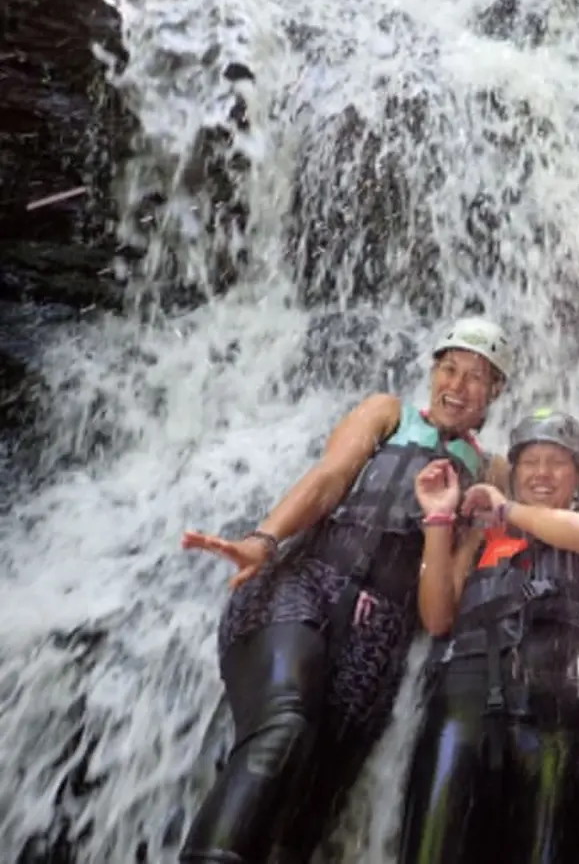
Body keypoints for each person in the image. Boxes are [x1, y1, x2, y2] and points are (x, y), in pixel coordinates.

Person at [177, 317, 513, 864]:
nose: (459, 384)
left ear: (496, 391)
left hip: (380, 641)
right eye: (449, 368)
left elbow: (439, 615)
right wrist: (264, 540)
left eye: (478, 377)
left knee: (307, 810)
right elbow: (330, 478)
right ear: (432, 372)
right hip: (304, 585)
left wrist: (440, 520)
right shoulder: (387, 412)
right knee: (284, 726)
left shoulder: (491, 470)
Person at [398, 409, 579, 864]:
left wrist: (507, 509)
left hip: (556, 704)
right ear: (512, 473)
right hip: (464, 700)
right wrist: (439, 520)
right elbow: (438, 617)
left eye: (557, 461)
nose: (541, 472)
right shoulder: (480, 538)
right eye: (530, 461)